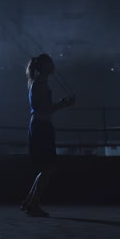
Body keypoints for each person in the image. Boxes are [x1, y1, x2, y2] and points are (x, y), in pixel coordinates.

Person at [21, 53, 75, 217]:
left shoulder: (38, 82)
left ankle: (29, 202)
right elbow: (44, 109)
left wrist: (60, 104)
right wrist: (63, 104)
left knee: (45, 167)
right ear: (44, 66)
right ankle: (33, 203)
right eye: (51, 63)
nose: (53, 65)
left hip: (39, 125)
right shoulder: (39, 84)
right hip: (41, 126)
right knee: (49, 168)